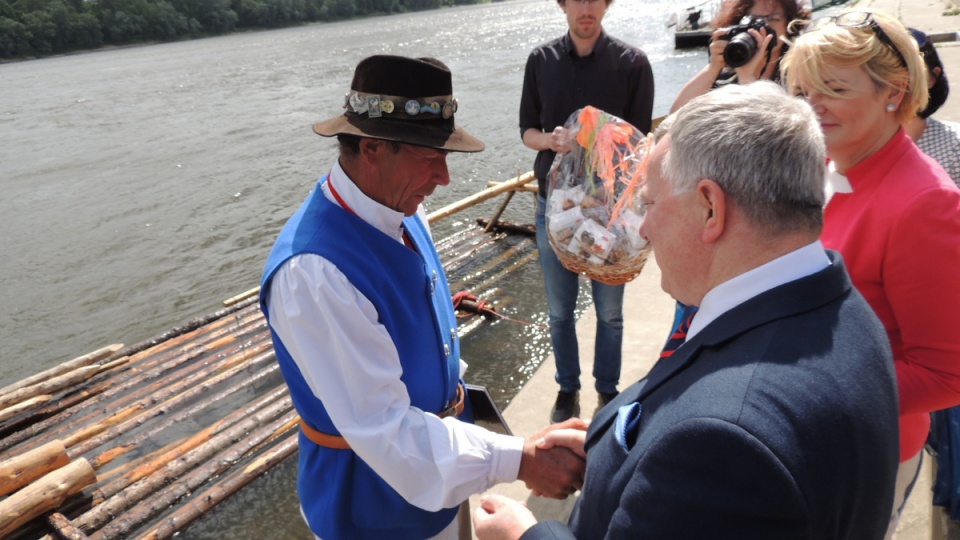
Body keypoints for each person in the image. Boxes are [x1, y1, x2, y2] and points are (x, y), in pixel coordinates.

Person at [473, 81, 901, 540]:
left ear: (711, 208)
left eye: (650, 202)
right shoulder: (841, 310)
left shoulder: (723, 442)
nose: (644, 227)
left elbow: (711, 445)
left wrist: (523, 535)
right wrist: (613, 449)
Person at [259, 55, 586, 540]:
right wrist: (519, 459)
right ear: (372, 148)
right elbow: (385, 430)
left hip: (437, 471)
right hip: (375, 508)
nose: (444, 177)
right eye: (430, 155)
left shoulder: (401, 207)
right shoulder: (314, 273)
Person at [782, 10, 960, 537]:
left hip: (864, 450)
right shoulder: (834, 165)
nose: (812, 106)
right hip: (810, 436)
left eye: (833, 88)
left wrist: (807, 391)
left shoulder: (926, 204)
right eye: (803, 91)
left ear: (895, 91)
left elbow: (947, 374)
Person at [519, 0, 654, 422]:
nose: (587, 7)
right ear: (561, 4)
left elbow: (641, 142)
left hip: (612, 213)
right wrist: (551, 141)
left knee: (610, 312)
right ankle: (567, 387)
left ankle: (607, 390)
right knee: (559, 310)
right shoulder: (541, 60)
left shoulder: (633, 63)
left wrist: (609, 140)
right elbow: (527, 131)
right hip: (555, 207)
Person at [670, 0, 810, 112]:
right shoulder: (732, 66)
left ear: (789, 23)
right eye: (756, 20)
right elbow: (676, 114)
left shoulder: (799, 68)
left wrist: (748, 79)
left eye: (774, 19)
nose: (764, 27)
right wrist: (713, 68)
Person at [904, 27, 960, 185]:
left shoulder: (955, 145)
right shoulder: (848, 147)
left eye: (910, 74)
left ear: (932, 78)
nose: (897, 87)